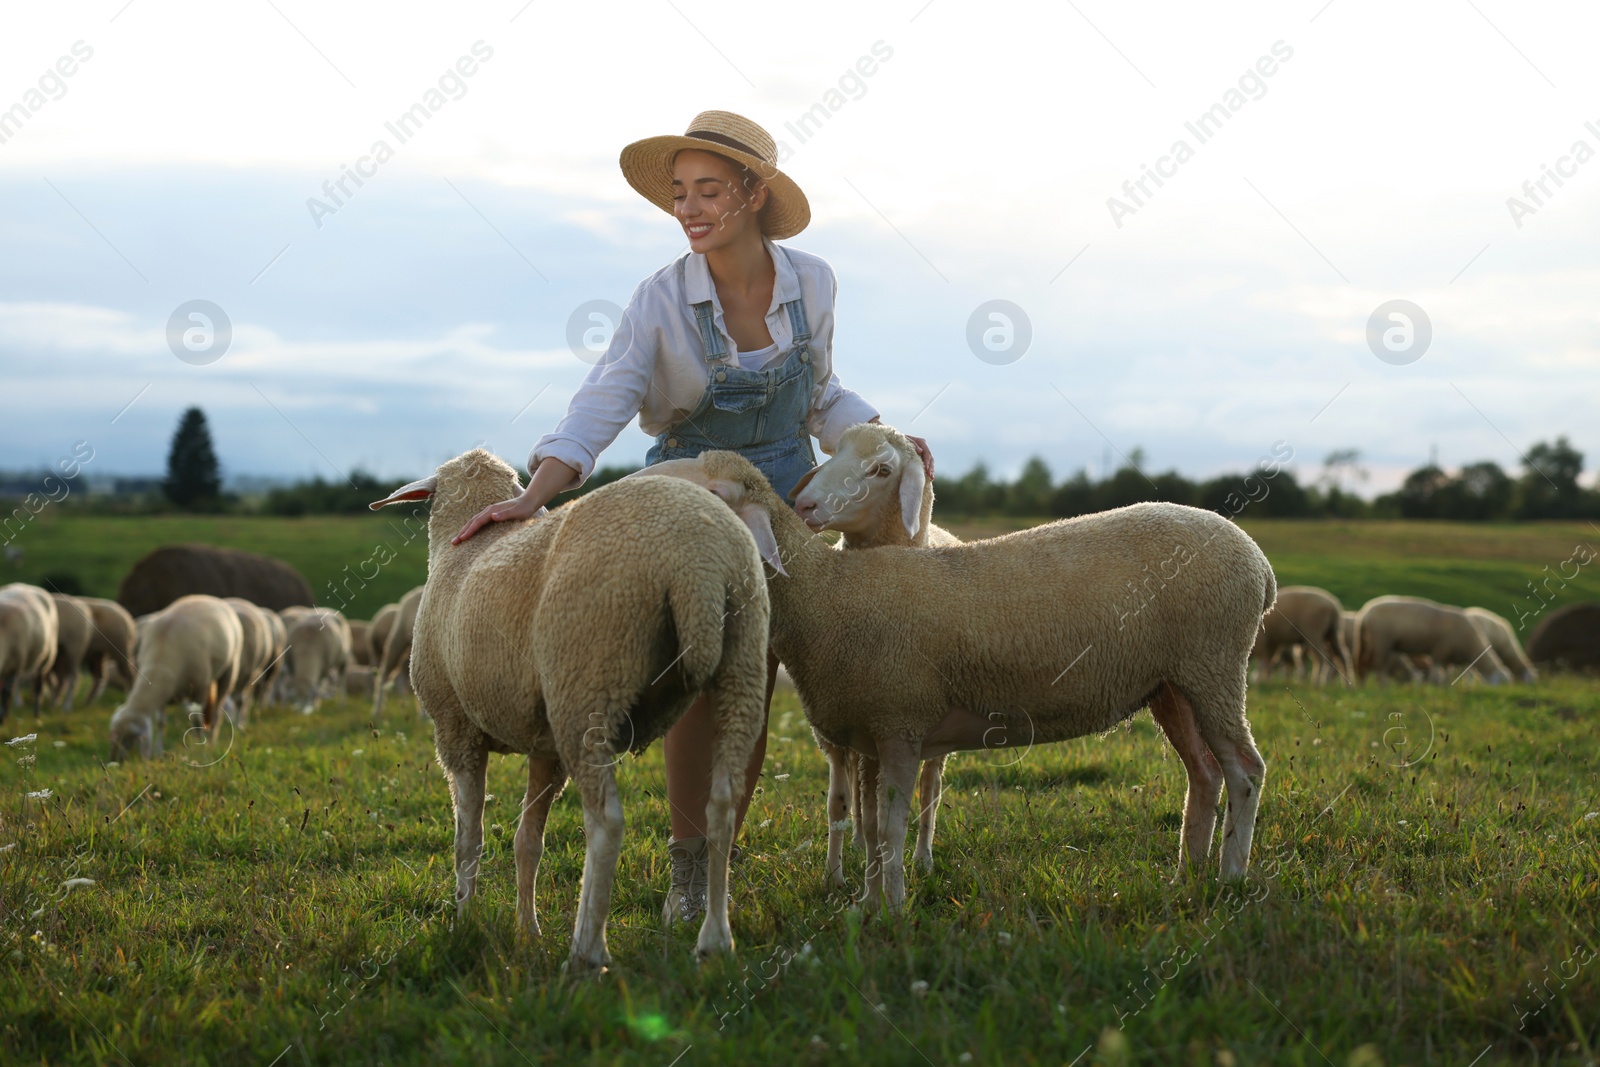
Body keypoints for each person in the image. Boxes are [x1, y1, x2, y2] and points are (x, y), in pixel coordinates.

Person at [453, 110, 932, 924]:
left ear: (754, 192)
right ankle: (686, 868)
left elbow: (819, 394)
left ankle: (718, 862)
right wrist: (538, 492)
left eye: (708, 189)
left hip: (785, 496)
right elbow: (602, 400)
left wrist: (874, 435)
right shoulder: (662, 299)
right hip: (691, 485)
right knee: (704, 677)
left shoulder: (813, 281)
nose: (690, 208)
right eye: (679, 193)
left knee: (755, 679)